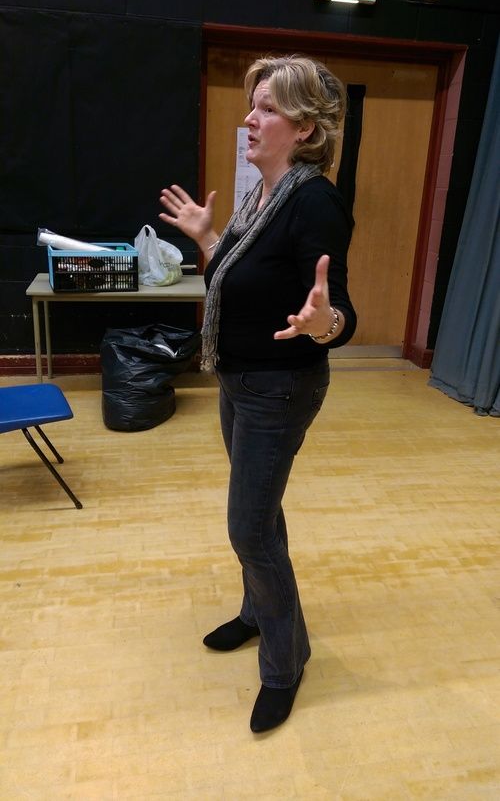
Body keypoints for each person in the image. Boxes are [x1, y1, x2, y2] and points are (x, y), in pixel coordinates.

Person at [159, 54, 356, 733]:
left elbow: (340, 312)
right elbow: (245, 278)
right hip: (239, 379)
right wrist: (208, 238)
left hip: (280, 386)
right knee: (261, 516)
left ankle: (285, 661)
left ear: (305, 129)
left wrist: (321, 321)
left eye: (268, 108)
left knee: (247, 525)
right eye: (253, 104)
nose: (250, 117)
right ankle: (256, 610)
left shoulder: (315, 201)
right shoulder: (263, 194)